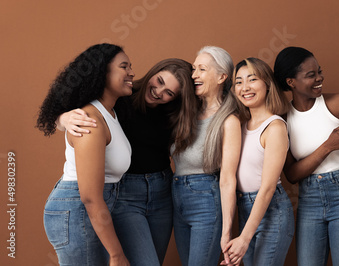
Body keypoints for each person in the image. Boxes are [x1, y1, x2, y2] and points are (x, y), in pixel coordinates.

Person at [56, 58, 198, 266]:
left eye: (169, 92)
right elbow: (74, 111)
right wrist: (64, 119)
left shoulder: (175, 112)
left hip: (162, 193)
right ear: (152, 72)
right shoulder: (122, 97)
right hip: (126, 193)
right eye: (159, 81)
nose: (159, 92)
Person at [37, 43, 134, 265]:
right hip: (78, 210)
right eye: (124, 66)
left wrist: (60, 119)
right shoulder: (90, 121)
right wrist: (117, 255)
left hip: (96, 207)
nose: (131, 72)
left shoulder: (111, 112)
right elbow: (90, 196)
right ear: (102, 73)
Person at [273, 46, 339, 266]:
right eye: (311, 75)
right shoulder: (282, 120)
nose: (319, 78)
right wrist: (327, 146)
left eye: (319, 72)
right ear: (291, 82)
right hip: (309, 200)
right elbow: (292, 174)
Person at [171, 46, 241, 266]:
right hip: (176, 197)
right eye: (194, 69)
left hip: (206, 203)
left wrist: (226, 232)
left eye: (201, 69)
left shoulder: (229, 121)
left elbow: (228, 179)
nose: (194, 75)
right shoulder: (187, 112)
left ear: (222, 76)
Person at [222, 57, 294, 266]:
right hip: (245, 207)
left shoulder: (274, 127)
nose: (245, 87)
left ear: (267, 84)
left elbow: (268, 187)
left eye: (252, 80)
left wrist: (244, 238)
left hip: (271, 209)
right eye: (239, 82)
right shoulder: (240, 126)